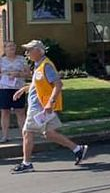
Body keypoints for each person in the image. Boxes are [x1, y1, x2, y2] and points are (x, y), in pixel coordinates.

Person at [10, 40, 88, 174]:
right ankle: (77, 149)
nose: (26, 53)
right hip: (41, 106)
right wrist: (24, 89)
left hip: (40, 107)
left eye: (29, 50)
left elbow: (58, 85)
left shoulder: (46, 65)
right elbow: (39, 85)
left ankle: (26, 163)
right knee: (49, 134)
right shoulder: (38, 65)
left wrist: (50, 103)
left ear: (38, 51)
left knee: (26, 132)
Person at [0, 41, 30, 143]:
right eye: (9, 46)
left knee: (20, 111)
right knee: (5, 112)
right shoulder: (1, 60)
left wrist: (18, 74)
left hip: (18, 88)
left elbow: (28, 74)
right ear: (5, 48)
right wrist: (6, 74)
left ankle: (24, 135)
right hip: (5, 88)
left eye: (13, 46)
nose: (11, 48)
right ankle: (5, 136)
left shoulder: (21, 59)